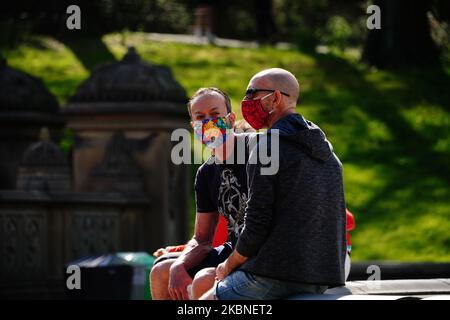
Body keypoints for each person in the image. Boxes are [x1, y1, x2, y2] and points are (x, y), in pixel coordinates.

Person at [201, 68, 347, 300]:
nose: (246, 102)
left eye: (251, 94)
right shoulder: (327, 151)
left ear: (276, 98)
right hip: (321, 276)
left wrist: (227, 265)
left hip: (274, 274)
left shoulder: (268, 147)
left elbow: (257, 224)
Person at [150, 88, 255, 300]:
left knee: (204, 280)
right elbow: (202, 239)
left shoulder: (255, 154)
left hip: (258, 255)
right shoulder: (206, 173)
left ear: (231, 119)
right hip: (231, 249)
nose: (209, 122)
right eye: (200, 117)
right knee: (162, 271)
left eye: (215, 115)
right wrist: (179, 265)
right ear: (194, 127)